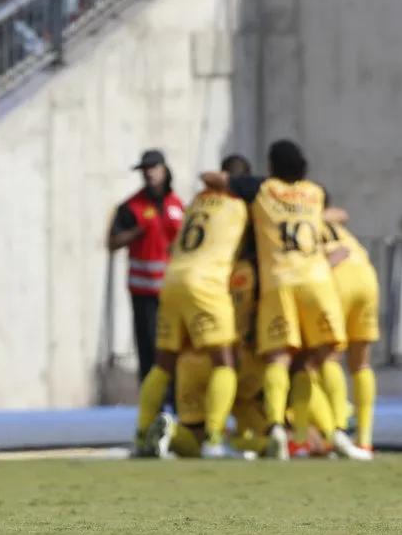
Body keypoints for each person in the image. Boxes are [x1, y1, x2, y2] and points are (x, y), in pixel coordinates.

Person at [199, 139, 368, 461]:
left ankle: (276, 426)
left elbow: (211, 177)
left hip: (278, 283)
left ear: (272, 166)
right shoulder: (314, 193)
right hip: (316, 280)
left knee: (279, 358)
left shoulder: (263, 189)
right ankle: (340, 433)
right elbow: (335, 215)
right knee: (326, 357)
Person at [134, 154, 250, 459]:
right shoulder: (241, 205)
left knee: (163, 364)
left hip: (171, 277)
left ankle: (142, 434)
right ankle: (213, 439)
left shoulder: (196, 202)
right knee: (225, 361)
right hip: (206, 282)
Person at [108, 149, 185, 384]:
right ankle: (152, 401)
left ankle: (175, 399)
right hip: (144, 292)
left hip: (173, 290)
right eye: (145, 170)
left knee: (174, 346)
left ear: (164, 170)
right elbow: (113, 242)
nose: (149, 174)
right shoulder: (131, 207)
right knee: (148, 346)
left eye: (153, 169)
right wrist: (136, 233)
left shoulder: (178, 205)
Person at [322, 218, 378, 455]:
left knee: (325, 359)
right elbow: (339, 213)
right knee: (361, 362)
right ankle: (365, 439)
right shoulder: (335, 222)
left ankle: (338, 429)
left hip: (335, 276)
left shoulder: (296, 216)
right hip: (366, 276)